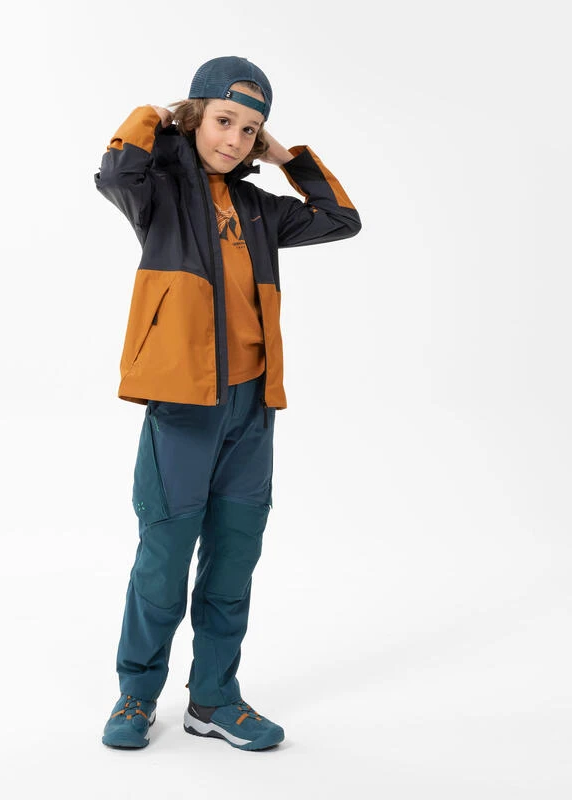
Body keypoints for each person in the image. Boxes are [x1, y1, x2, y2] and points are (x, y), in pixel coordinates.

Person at [94, 56, 361, 751]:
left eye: (250, 130)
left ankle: (213, 698)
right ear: (195, 117)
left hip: (251, 409)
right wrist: (158, 116)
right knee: (164, 560)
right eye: (223, 120)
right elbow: (114, 174)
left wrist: (287, 158)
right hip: (184, 407)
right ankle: (136, 693)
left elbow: (341, 219)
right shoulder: (158, 194)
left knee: (234, 560)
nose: (235, 139)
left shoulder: (261, 209)